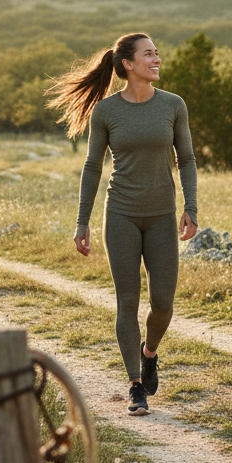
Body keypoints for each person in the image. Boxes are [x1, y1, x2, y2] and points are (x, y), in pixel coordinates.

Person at [47, 32, 198, 415]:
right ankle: (135, 386)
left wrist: (190, 208)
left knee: (162, 303)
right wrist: (81, 222)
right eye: (149, 54)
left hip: (163, 215)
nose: (157, 58)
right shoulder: (106, 112)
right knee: (127, 301)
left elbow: (188, 160)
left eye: (157, 53)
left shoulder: (173, 105)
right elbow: (93, 166)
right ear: (128, 64)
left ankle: (149, 353)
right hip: (121, 216)